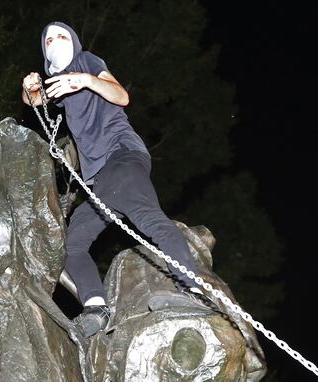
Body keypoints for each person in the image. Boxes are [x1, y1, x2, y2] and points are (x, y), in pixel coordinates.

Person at [22, 21, 205, 338]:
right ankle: (96, 308)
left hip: (122, 156)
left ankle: (191, 291)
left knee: (148, 218)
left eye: (62, 36)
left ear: (74, 42)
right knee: (69, 246)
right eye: (49, 39)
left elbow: (121, 96)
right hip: (101, 184)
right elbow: (35, 101)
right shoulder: (58, 82)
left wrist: (85, 79)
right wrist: (32, 88)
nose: (56, 41)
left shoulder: (86, 62)